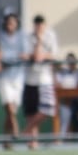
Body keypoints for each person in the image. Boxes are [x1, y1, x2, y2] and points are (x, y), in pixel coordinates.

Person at [20, 14, 59, 148]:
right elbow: (31, 55)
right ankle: (33, 141)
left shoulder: (51, 36)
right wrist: (38, 43)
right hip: (30, 78)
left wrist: (42, 52)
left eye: (41, 24)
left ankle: (26, 131)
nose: (39, 27)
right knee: (31, 111)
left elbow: (53, 54)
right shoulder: (28, 37)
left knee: (47, 109)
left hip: (45, 78)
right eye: (37, 24)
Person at [0, 12, 27, 149]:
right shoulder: (0, 37)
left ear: (16, 24)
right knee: (8, 106)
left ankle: (6, 141)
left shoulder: (22, 37)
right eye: (8, 23)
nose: (10, 25)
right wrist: (9, 58)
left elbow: (24, 55)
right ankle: (15, 127)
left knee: (12, 110)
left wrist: (10, 57)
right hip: (5, 77)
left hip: (18, 76)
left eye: (12, 23)